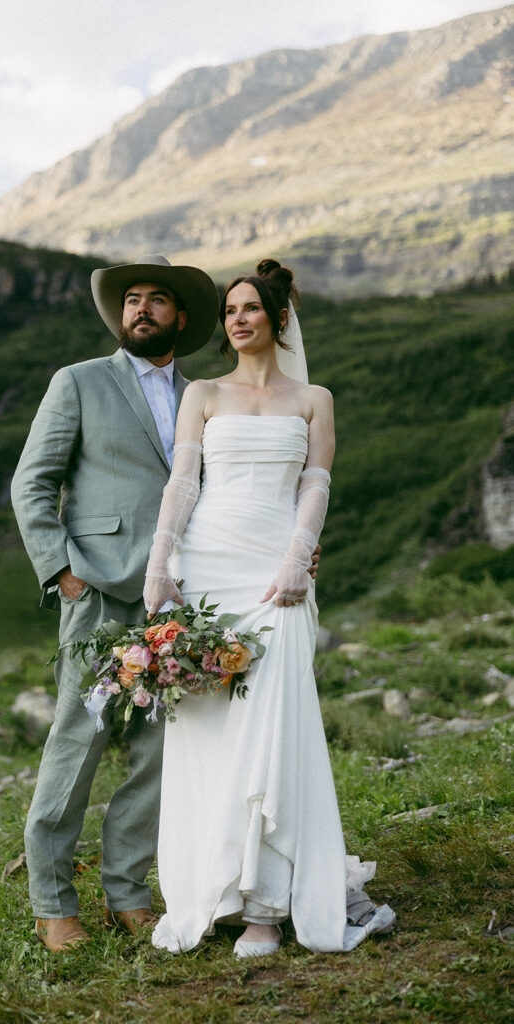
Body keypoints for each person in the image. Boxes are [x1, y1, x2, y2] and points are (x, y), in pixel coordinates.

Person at [144, 258, 395, 957]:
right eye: (230, 311)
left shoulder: (314, 398)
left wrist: (297, 556)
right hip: (209, 567)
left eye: (250, 308)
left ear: (278, 318)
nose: (238, 320)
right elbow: (183, 483)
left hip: (274, 572)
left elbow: (315, 483)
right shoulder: (203, 394)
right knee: (209, 729)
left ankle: (265, 907)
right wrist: (160, 564)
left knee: (274, 723)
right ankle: (218, 889)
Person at [11, 254, 219, 952]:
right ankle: (51, 902)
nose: (141, 309)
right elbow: (31, 485)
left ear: (178, 317)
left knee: (159, 751)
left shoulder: (200, 397)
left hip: (173, 602)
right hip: (98, 592)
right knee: (80, 740)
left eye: (156, 300)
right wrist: (63, 572)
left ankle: (128, 893)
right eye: (131, 299)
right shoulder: (77, 383)